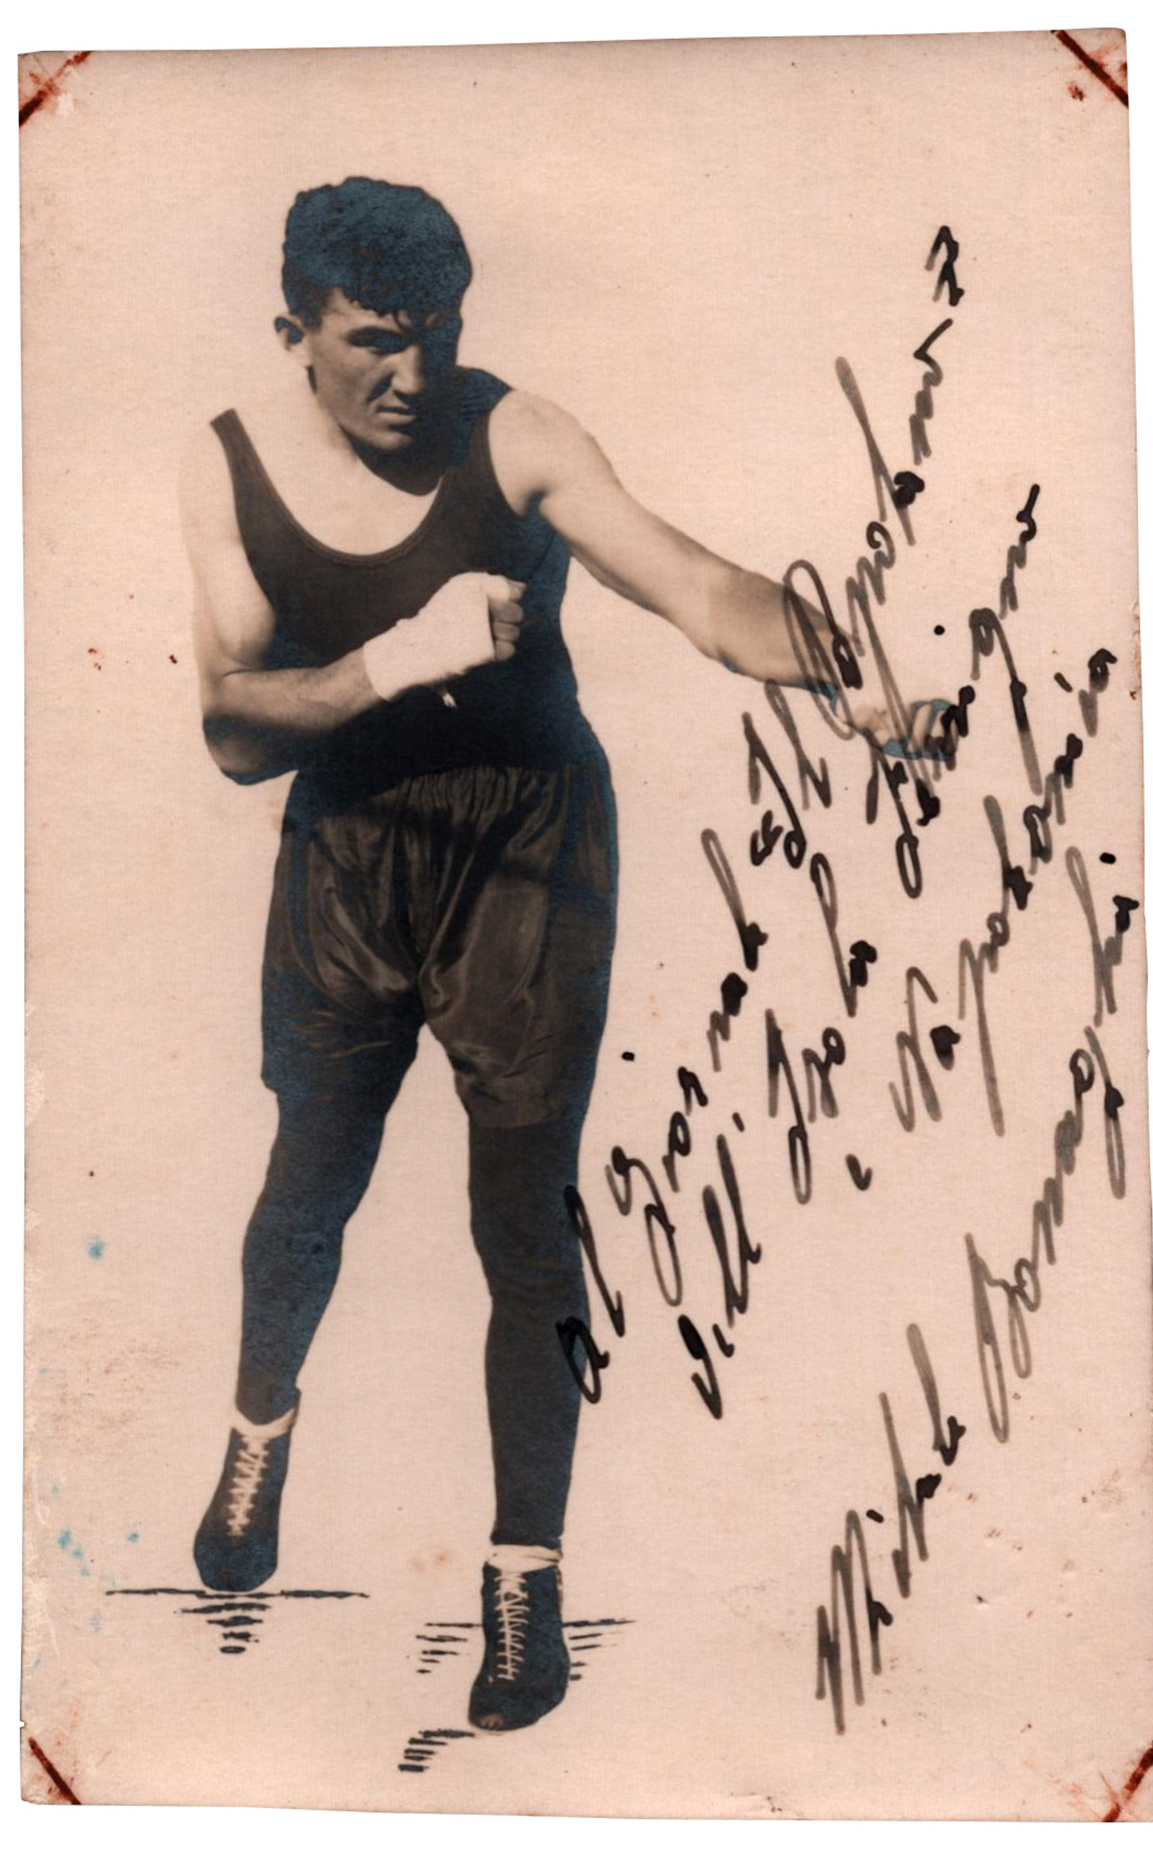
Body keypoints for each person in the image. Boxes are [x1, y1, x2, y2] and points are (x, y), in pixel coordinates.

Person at [181, 177, 917, 1732]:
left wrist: (844, 669)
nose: (412, 372)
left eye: (436, 334)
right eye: (374, 341)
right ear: (294, 332)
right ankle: (259, 1426)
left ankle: (524, 1577)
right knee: (310, 1178)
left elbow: (697, 586)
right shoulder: (228, 461)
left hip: (526, 851)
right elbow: (234, 728)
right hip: (348, 853)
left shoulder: (514, 433)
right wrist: (394, 659)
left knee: (523, 1217)